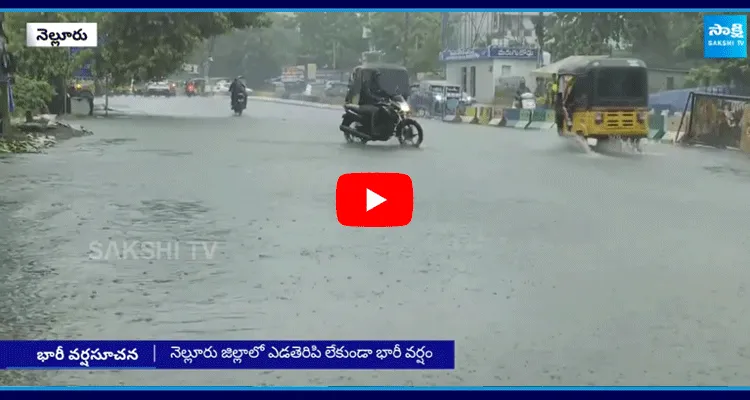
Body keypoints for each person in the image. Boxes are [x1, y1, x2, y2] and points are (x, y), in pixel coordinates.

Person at [358, 70, 389, 135]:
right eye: (377, 76)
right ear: (373, 76)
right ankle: (373, 130)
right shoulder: (367, 84)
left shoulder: (377, 84)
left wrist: (391, 96)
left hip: (373, 103)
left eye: (378, 76)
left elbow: (382, 92)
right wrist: (378, 98)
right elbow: (369, 95)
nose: (378, 78)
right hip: (365, 104)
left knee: (384, 110)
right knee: (375, 111)